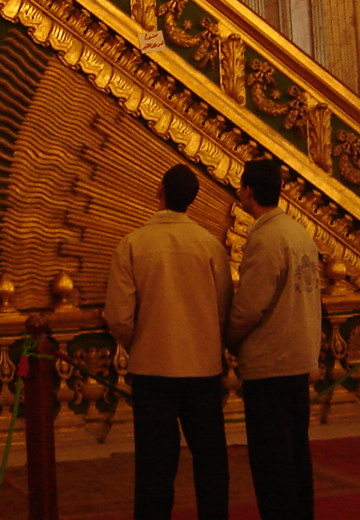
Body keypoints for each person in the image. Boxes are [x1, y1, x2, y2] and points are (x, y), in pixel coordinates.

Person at [104, 163, 233, 520]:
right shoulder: (210, 245)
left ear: (159, 191)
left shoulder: (132, 245)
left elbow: (118, 316)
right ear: (193, 199)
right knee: (210, 460)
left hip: (152, 370)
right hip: (203, 369)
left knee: (154, 466)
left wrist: (141, 342)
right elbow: (224, 310)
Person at [226, 157, 321, 520]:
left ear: (248, 191)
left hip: (270, 364)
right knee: (296, 454)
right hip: (298, 358)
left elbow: (251, 305)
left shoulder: (265, 238)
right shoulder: (298, 232)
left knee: (272, 462)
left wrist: (229, 338)